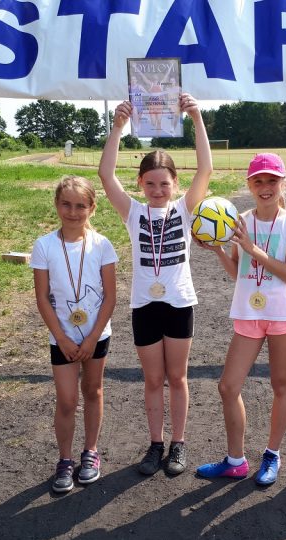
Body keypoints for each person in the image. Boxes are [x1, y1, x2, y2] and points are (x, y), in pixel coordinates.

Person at [98, 93, 212, 476]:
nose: (158, 189)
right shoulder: (133, 211)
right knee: (152, 380)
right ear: (141, 184)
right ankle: (155, 444)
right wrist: (117, 128)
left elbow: (205, 171)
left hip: (179, 303)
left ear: (175, 183)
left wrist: (196, 118)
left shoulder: (184, 208)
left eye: (164, 183)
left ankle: (178, 444)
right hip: (144, 305)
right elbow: (105, 176)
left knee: (177, 378)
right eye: (150, 184)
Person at [195, 153, 286, 486]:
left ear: (282, 184)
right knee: (228, 386)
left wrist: (254, 250)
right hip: (248, 313)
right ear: (249, 185)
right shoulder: (238, 220)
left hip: (281, 314)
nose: (265, 187)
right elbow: (238, 273)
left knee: (280, 384)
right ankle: (236, 461)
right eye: (258, 181)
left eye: (272, 181)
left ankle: (272, 454)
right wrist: (216, 248)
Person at [31, 176, 118, 493]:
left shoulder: (102, 245)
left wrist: (93, 336)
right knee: (67, 400)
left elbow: (110, 297)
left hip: (96, 335)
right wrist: (63, 338)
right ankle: (65, 460)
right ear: (56, 205)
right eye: (66, 204)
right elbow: (42, 298)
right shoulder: (44, 246)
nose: (72, 211)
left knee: (92, 391)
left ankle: (90, 452)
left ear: (92, 207)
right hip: (62, 338)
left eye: (80, 205)